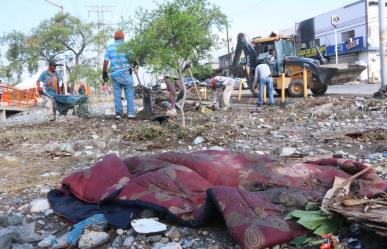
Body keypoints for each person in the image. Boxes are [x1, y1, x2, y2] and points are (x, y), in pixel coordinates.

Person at [102, 30, 136, 120]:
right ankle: (131, 113)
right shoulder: (127, 46)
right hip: (126, 73)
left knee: (117, 94)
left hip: (115, 74)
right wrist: (134, 64)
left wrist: (104, 72)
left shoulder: (109, 47)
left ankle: (118, 114)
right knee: (129, 93)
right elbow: (132, 58)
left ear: (115, 38)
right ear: (123, 38)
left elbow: (106, 61)